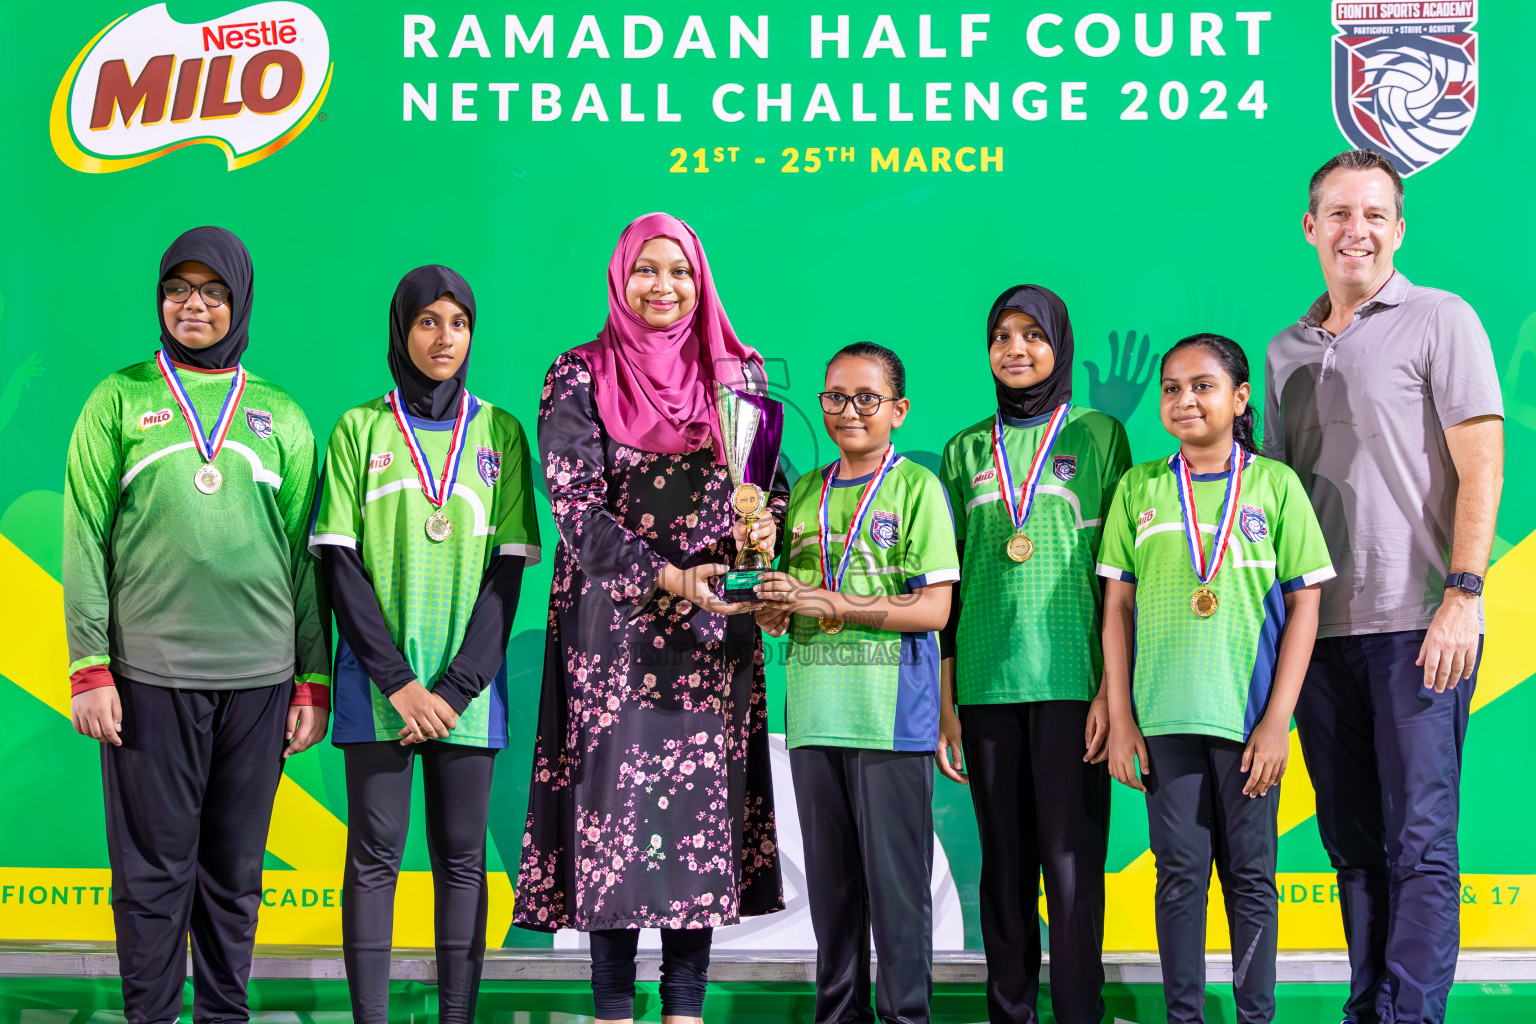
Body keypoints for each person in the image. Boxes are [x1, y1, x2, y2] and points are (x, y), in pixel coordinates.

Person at [513, 212, 785, 1024]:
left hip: (711, 637)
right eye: (647, 270)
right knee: (615, 816)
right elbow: (576, 511)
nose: (663, 288)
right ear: (619, 277)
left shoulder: (739, 375)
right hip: (613, 632)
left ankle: (685, 1010)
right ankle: (611, 1009)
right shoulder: (579, 374)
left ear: (701, 282)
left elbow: (761, 491)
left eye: (681, 273)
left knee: (700, 810)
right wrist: (669, 576)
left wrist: (766, 529)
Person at [63, 225, 330, 1024]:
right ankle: (150, 1016)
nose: (194, 305)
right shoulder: (121, 398)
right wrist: (90, 665)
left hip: (259, 683)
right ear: (160, 299)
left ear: (238, 301)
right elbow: (83, 534)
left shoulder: (281, 415)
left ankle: (224, 1015)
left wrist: (312, 678)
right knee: (151, 875)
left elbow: (305, 561)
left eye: (213, 291)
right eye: (179, 289)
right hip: (149, 681)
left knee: (234, 873)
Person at [1264, 149, 1505, 1024]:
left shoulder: (1443, 319)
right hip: (1322, 636)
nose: (1355, 230)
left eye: (1374, 215)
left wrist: (1464, 592)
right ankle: (1367, 1008)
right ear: (1311, 227)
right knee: (1353, 844)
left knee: (1422, 843)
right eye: (1338, 213)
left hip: (1420, 626)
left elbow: (1482, 463)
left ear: (1398, 230)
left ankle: (1409, 1016)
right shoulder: (1284, 348)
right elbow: (1280, 503)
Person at [309, 266, 540, 1024]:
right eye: (429, 322)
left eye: (459, 322)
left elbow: (507, 575)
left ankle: (456, 1018)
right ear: (402, 330)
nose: (445, 338)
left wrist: (454, 689)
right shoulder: (359, 430)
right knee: (373, 860)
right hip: (378, 688)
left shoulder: (501, 432)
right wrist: (401, 684)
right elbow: (340, 566)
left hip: (467, 693)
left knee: (463, 861)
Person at [1099, 334, 1333, 1024]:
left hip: (1247, 722)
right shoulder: (1139, 489)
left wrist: (1276, 721)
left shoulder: (1274, 486)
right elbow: (1116, 611)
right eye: (1172, 387)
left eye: (1203, 385)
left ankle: (1255, 1016)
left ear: (1239, 398)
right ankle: (1185, 1017)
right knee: (1178, 880)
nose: (1184, 399)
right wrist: (1121, 717)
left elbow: (1306, 606)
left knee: (1252, 881)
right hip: (1164, 721)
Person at [935, 286, 1130, 1024]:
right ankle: (1008, 1013)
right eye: (1002, 337)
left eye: (1032, 336)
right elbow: (948, 582)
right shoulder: (962, 449)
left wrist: (1115, 695)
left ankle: (1079, 1012)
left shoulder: (1100, 435)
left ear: (1059, 345)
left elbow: (1120, 580)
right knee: (1005, 870)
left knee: (1072, 868)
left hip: (1075, 686)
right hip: (985, 685)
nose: (1016, 350)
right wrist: (950, 703)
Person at [755, 342, 959, 1024]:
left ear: (897, 410)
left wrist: (833, 604)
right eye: (835, 398)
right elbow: (784, 611)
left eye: (867, 399)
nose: (850, 412)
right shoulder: (804, 492)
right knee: (834, 900)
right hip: (815, 717)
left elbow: (934, 609)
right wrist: (775, 605)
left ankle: (907, 1018)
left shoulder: (916, 489)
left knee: (898, 898)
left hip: (890, 720)